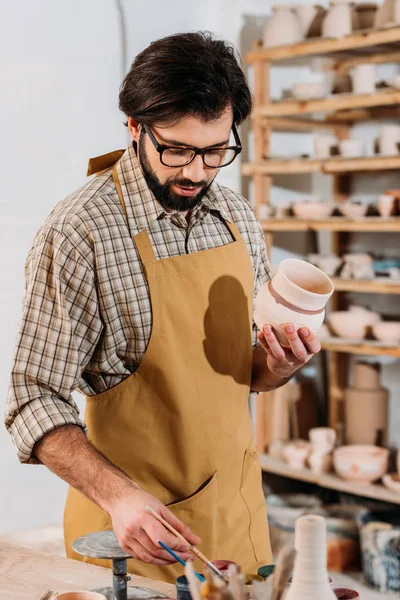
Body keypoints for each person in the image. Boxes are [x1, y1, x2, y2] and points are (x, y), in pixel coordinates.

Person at [5, 31, 321, 583]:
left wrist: (277, 366)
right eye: (175, 149)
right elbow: (31, 400)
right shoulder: (82, 231)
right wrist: (119, 497)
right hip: (132, 537)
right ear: (134, 127)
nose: (196, 172)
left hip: (236, 519)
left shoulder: (236, 217)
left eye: (215, 150)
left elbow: (241, 371)